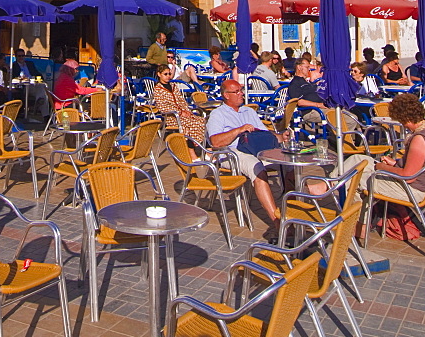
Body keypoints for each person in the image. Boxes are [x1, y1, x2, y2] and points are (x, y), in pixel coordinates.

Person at [316, 94, 425, 207]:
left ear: (405, 118)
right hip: (422, 186)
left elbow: (408, 177)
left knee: (356, 178)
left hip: (412, 191)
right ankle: (328, 185)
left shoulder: (419, 140)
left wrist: (382, 167)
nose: (402, 125)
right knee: (359, 159)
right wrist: (394, 163)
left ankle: (356, 225)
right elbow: (419, 166)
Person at [206, 79, 289, 237]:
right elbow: (215, 142)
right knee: (257, 168)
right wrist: (238, 130)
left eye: (241, 90)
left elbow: (264, 134)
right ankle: (277, 222)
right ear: (226, 96)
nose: (241, 94)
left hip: (255, 148)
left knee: (289, 163)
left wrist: (281, 136)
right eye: (236, 91)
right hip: (231, 152)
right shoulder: (218, 114)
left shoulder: (249, 111)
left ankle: (292, 210)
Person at [288, 59, 359, 131]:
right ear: (299, 67)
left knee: (353, 115)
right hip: (312, 111)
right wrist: (319, 105)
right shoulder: (295, 83)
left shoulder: (307, 82)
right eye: (307, 67)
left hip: (324, 107)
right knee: (351, 120)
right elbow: (299, 102)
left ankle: (338, 137)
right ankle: (337, 139)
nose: (309, 70)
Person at [152, 64, 205, 160]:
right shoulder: (158, 89)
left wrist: (186, 110)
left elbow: (181, 100)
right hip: (171, 116)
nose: (168, 76)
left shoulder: (173, 86)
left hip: (182, 113)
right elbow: (162, 107)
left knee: (201, 120)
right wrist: (180, 112)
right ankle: (191, 152)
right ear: (159, 74)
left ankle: (202, 147)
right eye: (165, 74)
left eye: (169, 74)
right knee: (189, 124)